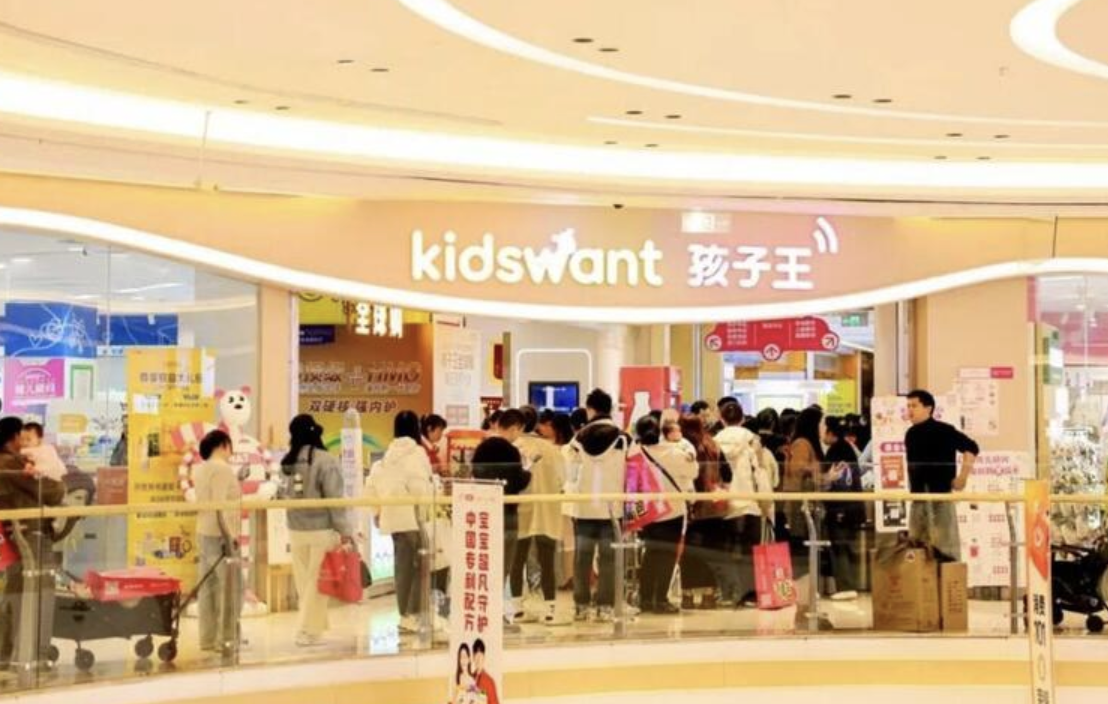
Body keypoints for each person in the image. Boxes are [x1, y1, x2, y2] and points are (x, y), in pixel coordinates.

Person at [279, 414, 354, 647]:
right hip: (321, 530)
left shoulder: (287, 463)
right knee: (317, 584)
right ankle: (307, 630)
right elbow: (335, 501)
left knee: (305, 583)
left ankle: (314, 627)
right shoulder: (326, 460)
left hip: (295, 529)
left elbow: (281, 494)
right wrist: (345, 531)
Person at [0, 416, 65, 667]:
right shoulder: (13, 463)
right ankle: (35, 655)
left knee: (15, 591)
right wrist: (58, 483)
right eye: (22, 435)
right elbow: (53, 492)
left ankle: (8, 652)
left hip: (12, 536)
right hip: (31, 534)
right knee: (40, 592)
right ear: (14, 437)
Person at [365, 410, 435, 634]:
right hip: (413, 517)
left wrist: (377, 512)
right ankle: (411, 614)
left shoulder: (388, 454)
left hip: (392, 517)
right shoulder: (417, 453)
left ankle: (405, 613)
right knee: (419, 566)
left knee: (402, 567)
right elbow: (422, 487)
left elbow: (371, 485)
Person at [567, 389, 628, 622]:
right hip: (613, 508)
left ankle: (581, 606)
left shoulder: (578, 440)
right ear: (609, 408)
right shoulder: (623, 439)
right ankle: (605, 607)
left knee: (582, 559)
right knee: (609, 559)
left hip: (584, 507)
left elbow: (570, 474)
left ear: (590, 409)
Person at [632, 415, 697, 614]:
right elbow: (693, 472)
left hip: (647, 511)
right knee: (667, 556)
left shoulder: (635, 453)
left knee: (650, 554)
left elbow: (631, 484)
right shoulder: (675, 452)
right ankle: (660, 599)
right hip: (673, 510)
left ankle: (644, 599)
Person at [905, 389, 979, 562]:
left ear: (928, 408)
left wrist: (962, 477)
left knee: (945, 548)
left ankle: (948, 575)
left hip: (941, 497)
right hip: (918, 499)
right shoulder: (910, 434)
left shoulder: (945, 430)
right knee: (916, 548)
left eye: (914, 406)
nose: (910, 410)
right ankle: (920, 577)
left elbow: (971, 448)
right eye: (908, 406)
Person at [471, 410, 531, 619]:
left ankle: (484, 609)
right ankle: (496, 611)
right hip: (507, 514)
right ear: (514, 428)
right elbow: (517, 482)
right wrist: (527, 472)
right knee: (503, 565)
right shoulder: (512, 452)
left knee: (485, 565)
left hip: (484, 514)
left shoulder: (482, 448)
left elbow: (476, 475)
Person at [511, 406, 566, 625]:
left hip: (520, 508)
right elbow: (563, 479)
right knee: (546, 560)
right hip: (547, 509)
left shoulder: (514, 447)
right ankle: (550, 609)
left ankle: (518, 609)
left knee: (517, 559)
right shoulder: (551, 449)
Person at [194, 429, 243, 653]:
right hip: (220, 535)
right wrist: (229, 536)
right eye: (230, 447)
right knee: (232, 589)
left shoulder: (201, 469)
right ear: (224, 445)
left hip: (203, 531)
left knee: (208, 588)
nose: (231, 452)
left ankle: (208, 638)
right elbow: (220, 505)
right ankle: (227, 639)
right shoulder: (222, 469)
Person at [715, 402, 767, 607]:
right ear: (743, 418)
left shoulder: (715, 441)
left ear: (721, 419)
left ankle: (728, 592)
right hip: (749, 501)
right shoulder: (752, 441)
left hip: (724, 503)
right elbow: (759, 471)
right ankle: (751, 594)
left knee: (725, 550)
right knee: (750, 551)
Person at [679, 413, 731, 609]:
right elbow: (728, 474)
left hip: (690, 508)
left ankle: (687, 596)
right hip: (713, 507)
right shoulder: (712, 444)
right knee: (711, 551)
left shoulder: (683, 447)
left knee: (689, 553)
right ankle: (709, 596)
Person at [822, 417, 865, 601]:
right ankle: (848, 585)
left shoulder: (836, 451)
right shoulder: (847, 449)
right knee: (845, 546)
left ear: (830, 433)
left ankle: (845, 586)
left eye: (823, 430)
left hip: (840, 507)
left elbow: (836, 481)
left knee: (840, 546)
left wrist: (825, 480)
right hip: (852, 506)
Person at [782, 406, 824, 581]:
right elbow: (797, 468)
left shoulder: (805, 443)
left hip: (804, 500)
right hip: (800, 502)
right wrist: (814, 469)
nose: (823, 427)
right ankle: (803, 581)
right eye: (821, 423)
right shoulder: (802, 444)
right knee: (801, 542)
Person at [472, 638, 499, 704]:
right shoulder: (469, 678)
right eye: (476, 656)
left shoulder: (489, 682)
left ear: (484, 657)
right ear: (473, 657)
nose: (478, 659)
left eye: (480, 656)